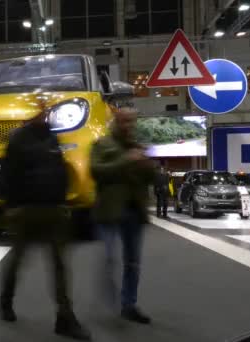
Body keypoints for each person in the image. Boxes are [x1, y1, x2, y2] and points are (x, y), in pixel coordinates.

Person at [0, 103, 91, 341]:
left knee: (60, 265)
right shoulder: (18, 138)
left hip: (53, 210)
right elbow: (8, 174)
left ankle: (65, 318)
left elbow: (60, 171)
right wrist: (11, 207)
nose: (43, 112)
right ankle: (6, 300)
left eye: (44, 108)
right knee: (18, 260)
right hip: (25, 210)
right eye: (38, 108)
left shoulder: (53, 138)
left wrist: (63, 203)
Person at [90, 107, 156, 325]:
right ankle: (109, 299)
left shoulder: (138, 147)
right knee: (110, 258)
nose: (128, 125)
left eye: (131, 122)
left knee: (133, 263)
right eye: (124, 121)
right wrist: (126, 160)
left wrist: (148, 165)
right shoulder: (102, 144)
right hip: (109, 211)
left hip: (134, 212)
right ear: (116, 122)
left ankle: (129, 305)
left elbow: (153, 179)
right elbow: (95, 171)